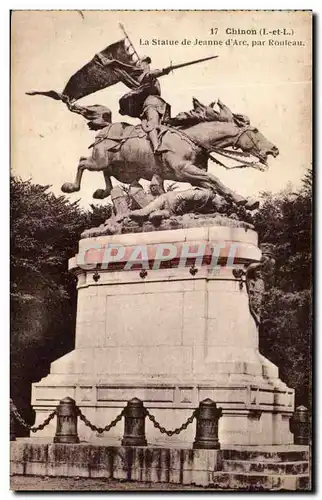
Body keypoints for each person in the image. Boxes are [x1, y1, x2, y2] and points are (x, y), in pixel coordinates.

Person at [119, 56, 171, 153]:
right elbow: (151, 74)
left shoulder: (150, 77)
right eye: (145, 63)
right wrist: (164, 71)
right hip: (151, 103)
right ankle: (156, 148)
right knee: (153, 124)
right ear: (140, 66)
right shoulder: (143, 76)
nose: (147, 65)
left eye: (148, 63)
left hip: (160, 104)